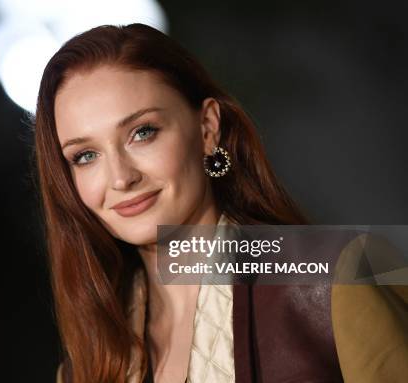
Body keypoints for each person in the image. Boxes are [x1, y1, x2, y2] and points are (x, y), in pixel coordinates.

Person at [32, 23, 408, 383]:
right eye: (85, 156)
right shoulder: (85, 368)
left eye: (142, 133)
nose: (120, 178)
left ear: (208, 129)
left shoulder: (339, 276)